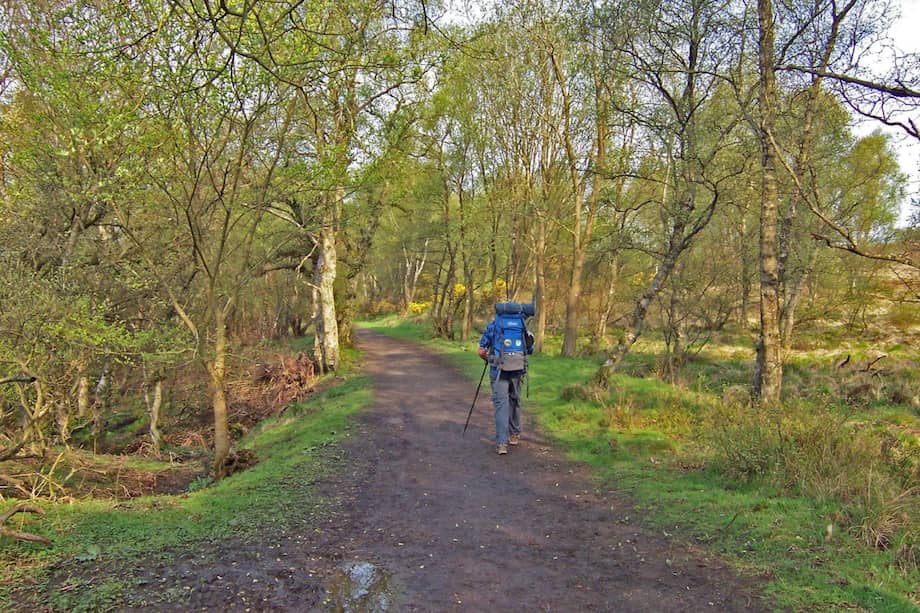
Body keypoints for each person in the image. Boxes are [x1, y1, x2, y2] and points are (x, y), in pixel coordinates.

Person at [478, 304, 534, 455]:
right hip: (518, 369)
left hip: (499, 371)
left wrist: (489, 358)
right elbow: (530, 349)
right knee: (515, 399)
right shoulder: (521, 325)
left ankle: (502, 443)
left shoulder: (494, 325)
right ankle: (514, 434)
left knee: (501, 405)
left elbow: (481, 350)